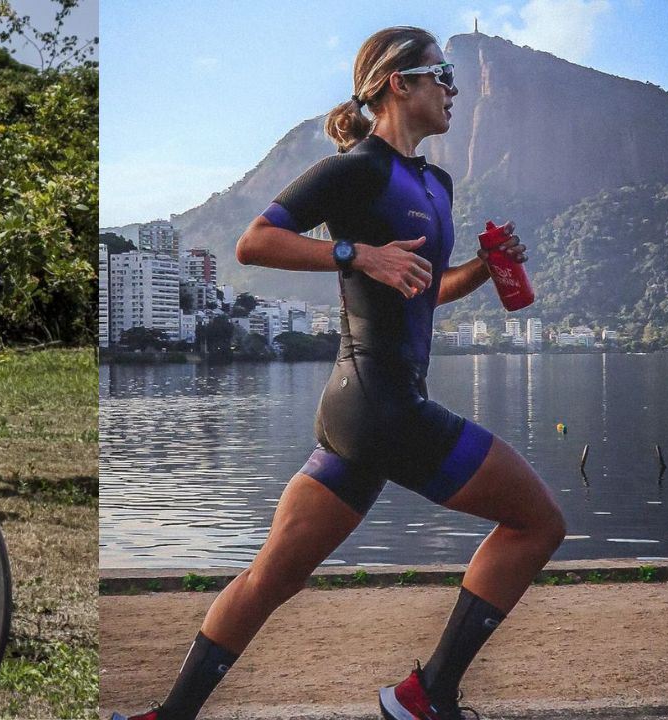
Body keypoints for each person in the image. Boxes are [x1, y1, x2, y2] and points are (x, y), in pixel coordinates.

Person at [115, 26, 566, 720]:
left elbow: (423, 285)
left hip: (362, 413)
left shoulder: (434, 182)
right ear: (400, 84)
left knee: (274, 575)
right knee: (537, 522)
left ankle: (167, 718)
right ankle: (427, 695)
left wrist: (481, 268)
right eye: (441, 75)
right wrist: (358, 254)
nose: (453, 90)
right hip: (383, 406)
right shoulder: (358, 168)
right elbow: (255, 240)